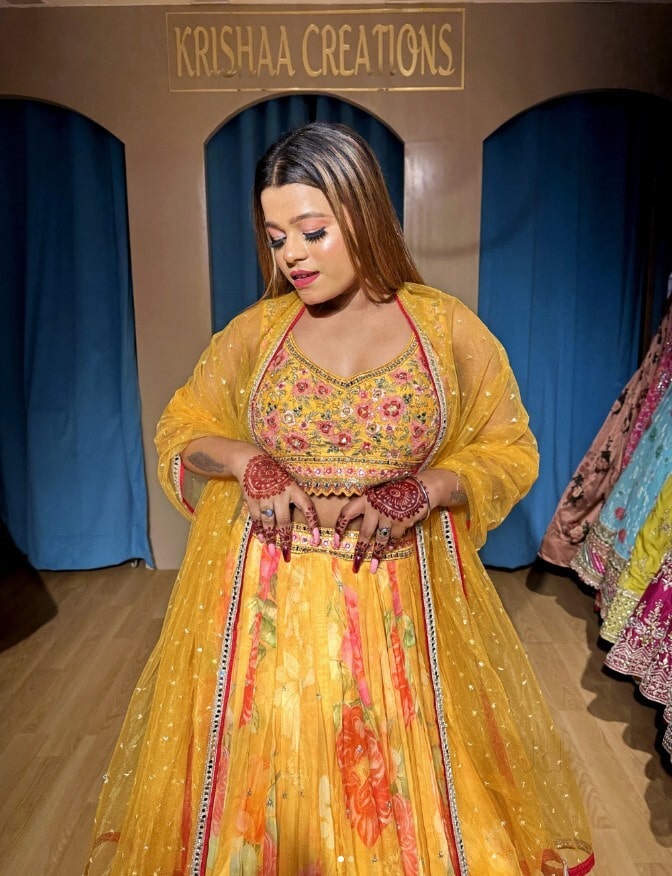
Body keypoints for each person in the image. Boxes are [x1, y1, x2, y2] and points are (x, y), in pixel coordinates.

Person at [86, 122, 594, 875]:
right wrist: (247, 461)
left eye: (312, 232)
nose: (291, 255)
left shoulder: (445, 330)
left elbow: (509, 448)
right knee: (268, 794)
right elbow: (181, 428)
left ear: (362, 216)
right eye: (275, 238)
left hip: (395, 610)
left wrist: (426, 488)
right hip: (266, 606)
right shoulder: (258, 334)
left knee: (390, 789)